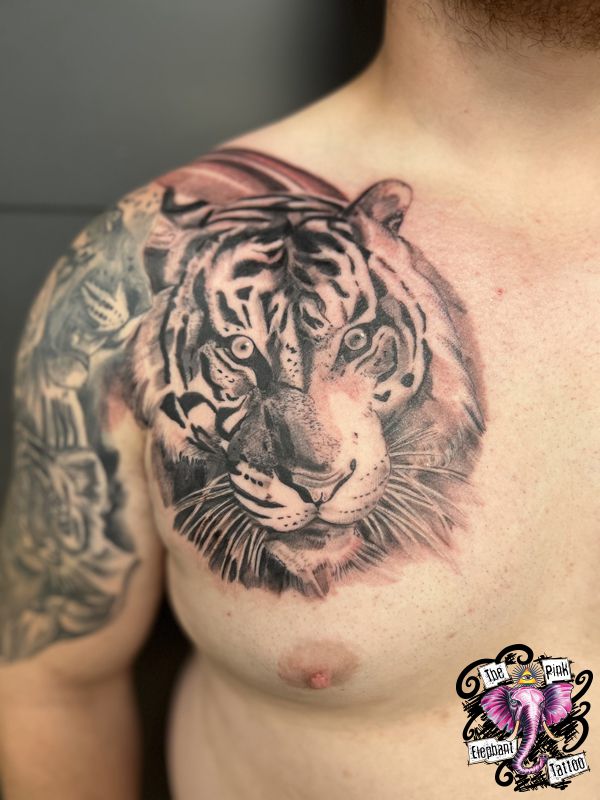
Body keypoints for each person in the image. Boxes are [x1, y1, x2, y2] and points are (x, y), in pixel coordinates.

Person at [1, 1, 599, 797]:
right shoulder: (124, 273)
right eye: (236, 356)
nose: (316, 455)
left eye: (356, 347)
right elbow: (51, 685)